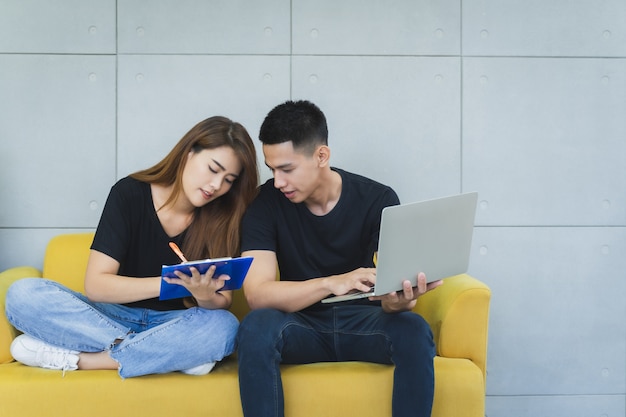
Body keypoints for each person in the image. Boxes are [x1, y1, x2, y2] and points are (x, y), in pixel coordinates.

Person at [5, 116, 259, 378]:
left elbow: (222, 302)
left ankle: (83, 360)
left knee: (223, 327)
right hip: (109, 318)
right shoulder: (128, 194)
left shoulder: (223, 217)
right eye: (213, 169)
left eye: (229, 180)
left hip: (176, 323)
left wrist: (204, 295)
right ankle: (170, 356)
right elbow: (96, 286)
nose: (217, 186)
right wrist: (174, 284)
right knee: (22, 295)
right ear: (188, 153)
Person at [236, 100, 442, 417]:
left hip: (364, 324)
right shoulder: (266, 203)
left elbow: (388, 300)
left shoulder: (378, 199)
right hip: (300, 326)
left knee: (413, 328)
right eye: (272, 169)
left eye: (287, 169)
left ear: (321, 156)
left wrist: (400, 300)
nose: (278, 181)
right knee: (256, 327)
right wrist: (331, 283)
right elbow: (257, 293)